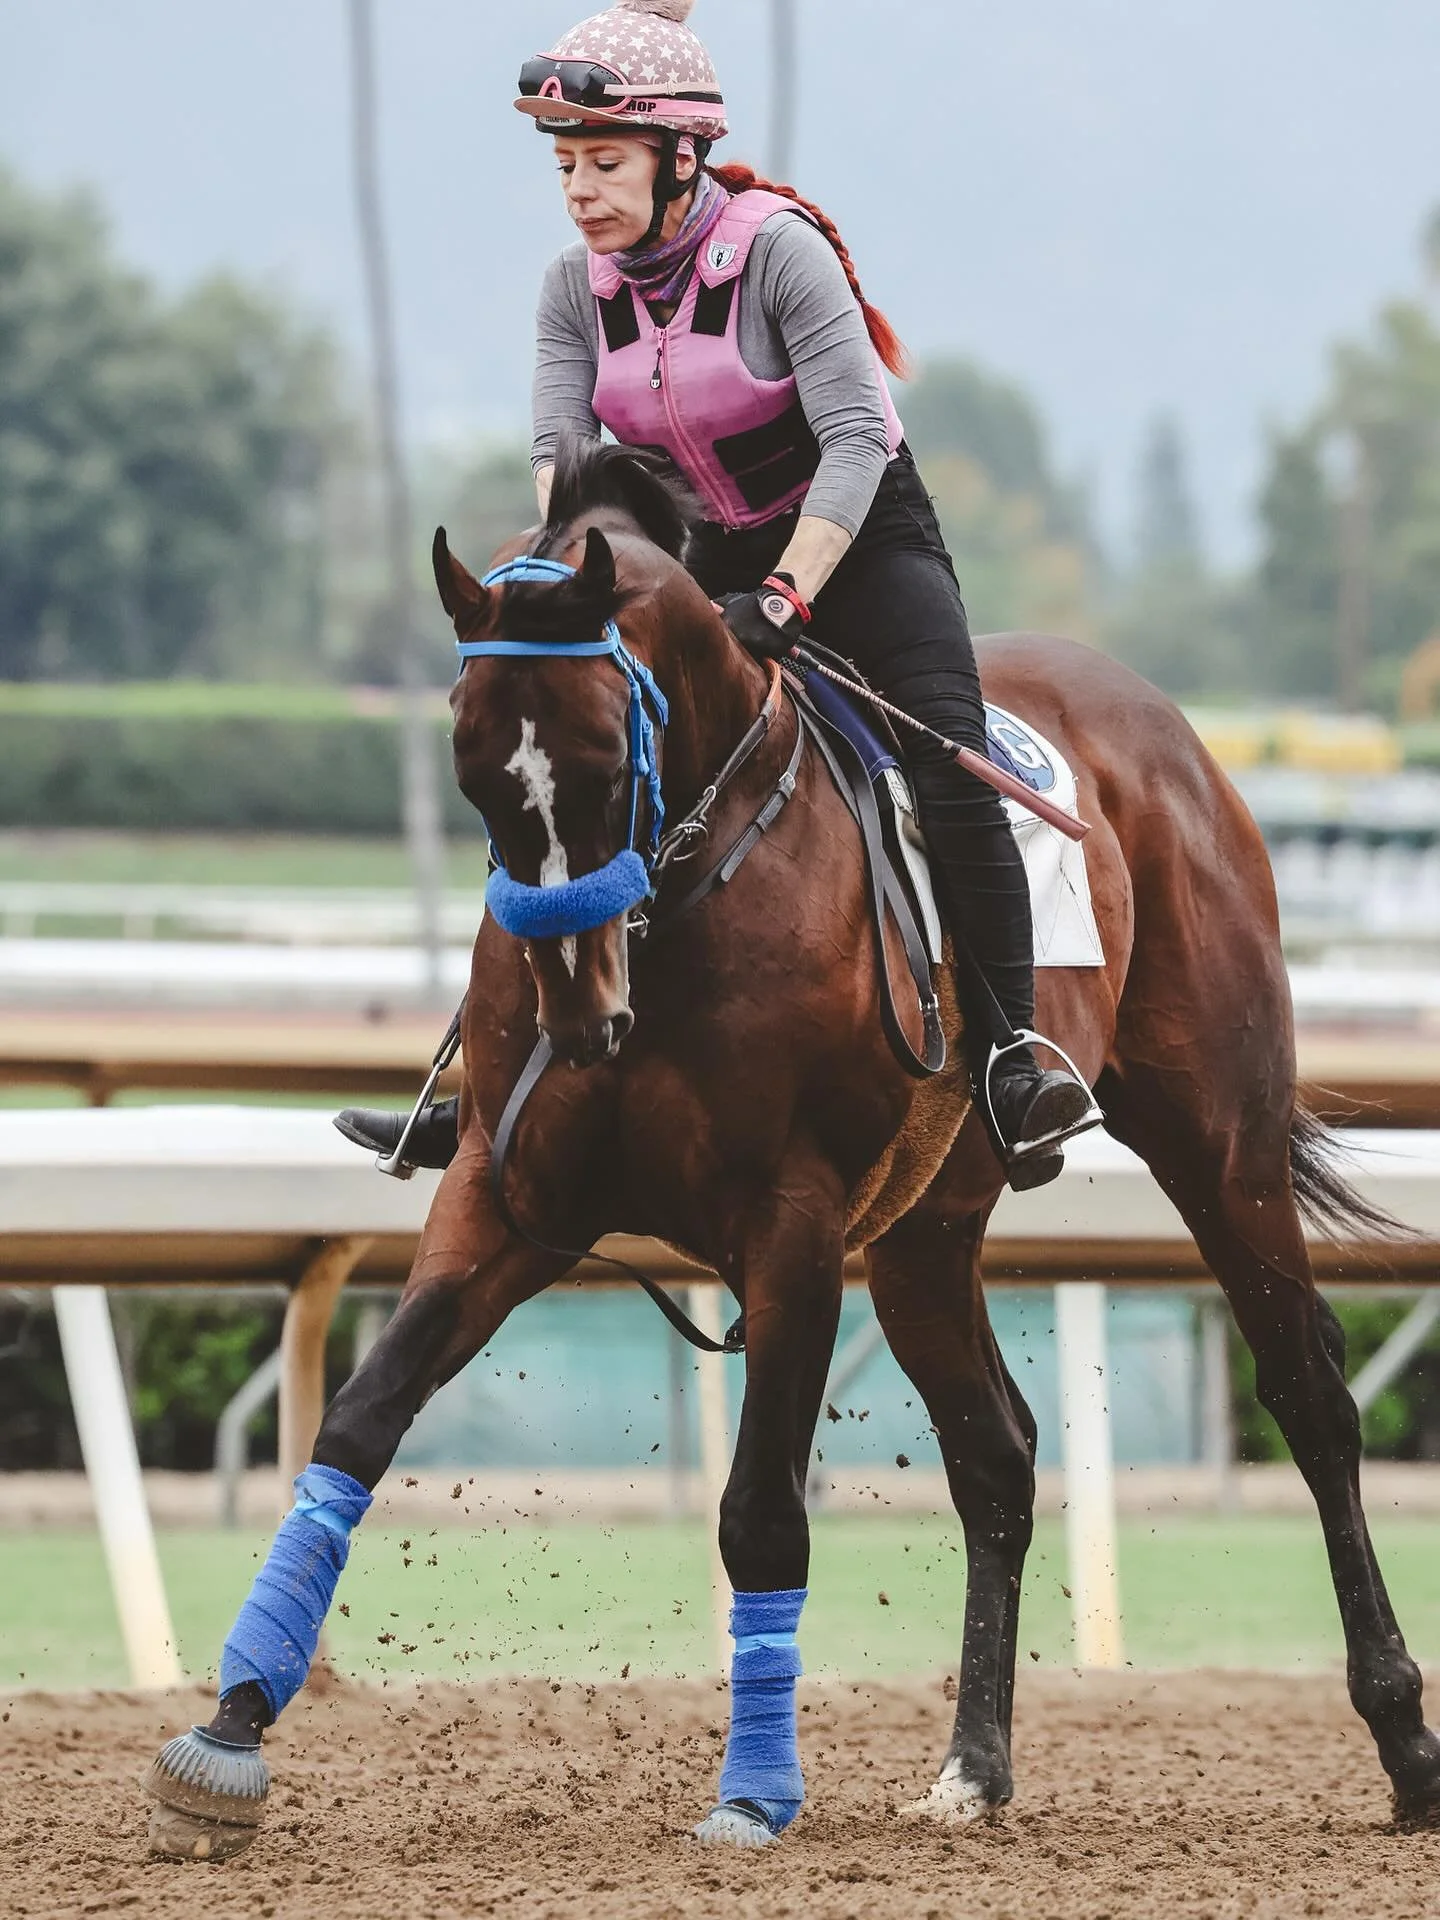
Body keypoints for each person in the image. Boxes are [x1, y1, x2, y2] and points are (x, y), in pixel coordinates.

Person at [341, 0, 1097, 1190]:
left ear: (679, 156)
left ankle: (1014, 1057)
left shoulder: (779, 252)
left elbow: (853, 439)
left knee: (948, 762)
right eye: (566, 166)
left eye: (604, 162)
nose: (580, 190)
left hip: (859, 541)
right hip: (695, 562)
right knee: (571, 769)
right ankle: (476, 1077)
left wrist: (790, 596)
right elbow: (566, 470)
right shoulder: (570, 290)